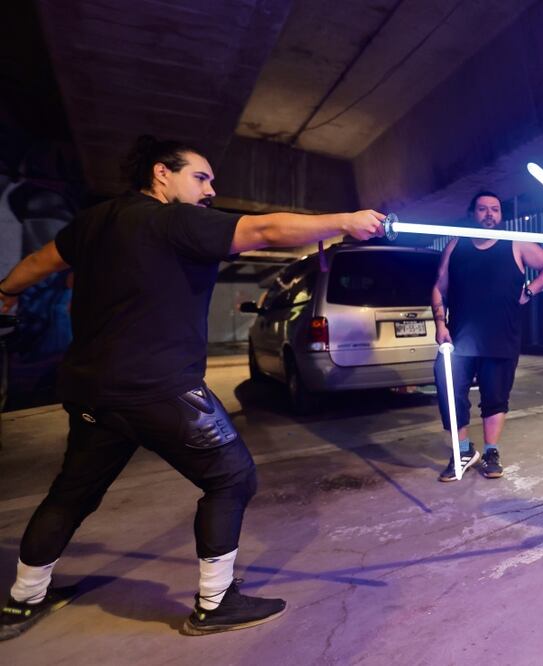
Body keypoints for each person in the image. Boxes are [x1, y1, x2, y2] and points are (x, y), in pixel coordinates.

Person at [0, 135, 385, 639]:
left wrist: (4, 295)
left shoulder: (93, 223)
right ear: (162, 174)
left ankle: (24, 599)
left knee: (73, 492)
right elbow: (265, 228)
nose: (209, 189)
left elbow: (40, 263)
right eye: (200, 177)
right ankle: (214, 602)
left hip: (90, 390)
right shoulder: (174, 220)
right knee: (232, 478)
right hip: (158, 388)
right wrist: (346, 220)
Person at [431, 191, 543, 481]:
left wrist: (529, 291)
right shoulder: (456, 246)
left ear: (501, 215)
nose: (489, 214)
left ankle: (491, 451)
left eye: (495, 209)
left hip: (502, 336)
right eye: (482, 209)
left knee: (495, 398)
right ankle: (463, 450)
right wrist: (440, 325)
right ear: (472, 213)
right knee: (449, 391)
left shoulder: (516, 244)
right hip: (459, 340)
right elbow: (440, 287)